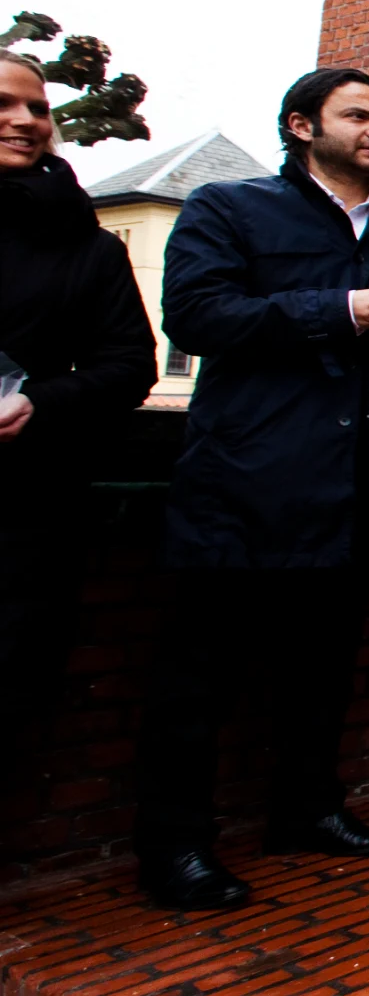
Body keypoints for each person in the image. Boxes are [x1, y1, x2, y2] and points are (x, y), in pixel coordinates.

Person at [139, 67, 369, 910]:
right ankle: (176, 847)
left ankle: (307, 809)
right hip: (247, 484)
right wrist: (338, 312)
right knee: (201, 679)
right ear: (299, 125)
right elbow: (198, 318)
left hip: (357, 489)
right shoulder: (230, 208)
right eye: (359, 115)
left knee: (323, 669)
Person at [0, 51, 156, 759]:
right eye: (4, 103)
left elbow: (130, 365)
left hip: (22, 509)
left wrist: (39, 399)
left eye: (36, 107)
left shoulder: (86, 246)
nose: (26, 120)